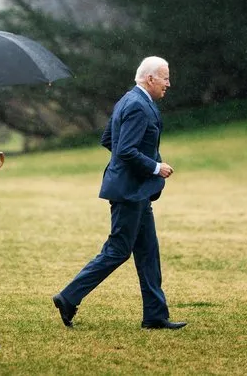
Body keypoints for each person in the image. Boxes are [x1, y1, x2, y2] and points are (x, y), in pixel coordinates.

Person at [52, 56, 186, 330]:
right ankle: (68, 297)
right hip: (129, 193)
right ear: (150, 79)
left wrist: (127, 167)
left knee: (148, 251)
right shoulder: (137, 105)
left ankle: (155, 315)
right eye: (165, 78)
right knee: (118, 250)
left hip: (136, 192)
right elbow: (124, 149)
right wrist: (154, 167)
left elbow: (108, 140)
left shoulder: (129, 100)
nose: (168, 84)